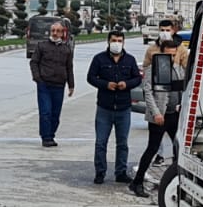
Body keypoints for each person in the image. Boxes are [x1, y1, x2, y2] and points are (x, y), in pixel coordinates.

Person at [129, 34, 189, 198]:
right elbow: (147, 92)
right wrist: (156, 113)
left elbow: (182, 88)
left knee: (179, 149)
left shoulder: (178, 68)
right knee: (152, 148)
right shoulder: (153, 69)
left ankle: (178, 183)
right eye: (167, 54)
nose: (170, 57)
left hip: (174, 114)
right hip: (159, 115)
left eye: (173, 54)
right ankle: (137, 182)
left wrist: (181, 106)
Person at [86, 30, 142, 184]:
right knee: (100, 142)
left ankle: (121, 172)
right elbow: (90, 77)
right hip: (104, 107)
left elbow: (137, 78)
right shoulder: (99, 59)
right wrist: (105, 84)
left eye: (119, 40)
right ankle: (100, 172)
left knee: (122, 143)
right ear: (108, 41)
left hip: (123, 108)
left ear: (123, 42)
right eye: (114, 40)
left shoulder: (130, 60)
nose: (116, 43)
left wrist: (127, 84)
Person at [30, 21, 75, 146]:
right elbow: (34, 62)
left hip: (59, 85)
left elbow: (69, 67)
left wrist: (71, 85)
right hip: (44, 84)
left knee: (55, 114)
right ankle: (46, 138)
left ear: (63, 33)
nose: (55, 33)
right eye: (53, 30)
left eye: (58, 31)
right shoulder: (42, 46)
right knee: (46, 112)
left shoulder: (67, 49)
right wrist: (37, 78)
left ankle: (51, 134)